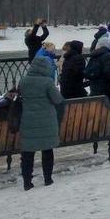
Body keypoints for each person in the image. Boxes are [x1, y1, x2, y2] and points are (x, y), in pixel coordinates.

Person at [17, 56, 65, 190]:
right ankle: (48, 179)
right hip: (47, 121)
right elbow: (57, 99)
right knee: (47, 150)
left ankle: (27, 182)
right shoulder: (48, 82)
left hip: (28, 121)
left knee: (27, 153)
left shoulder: (23, 81)